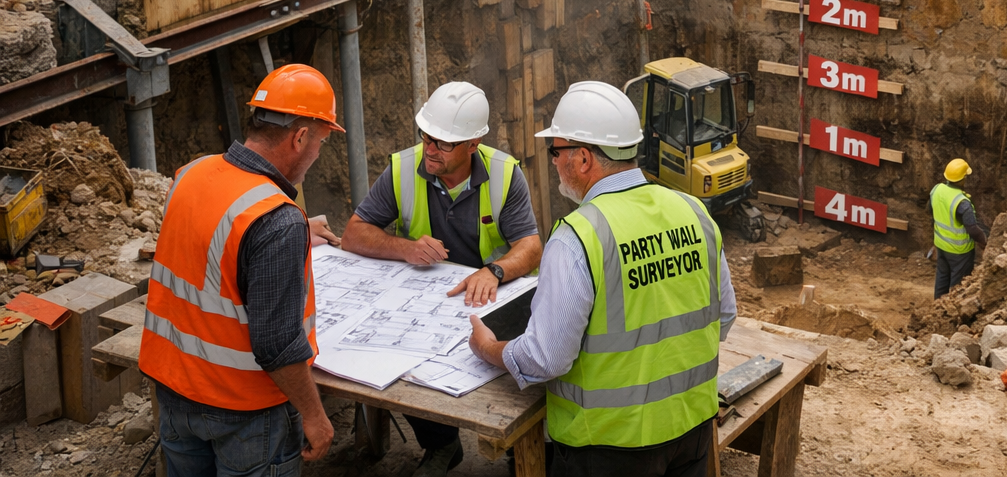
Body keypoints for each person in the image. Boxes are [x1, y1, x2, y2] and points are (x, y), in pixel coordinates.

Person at [465, 81, 735, 477]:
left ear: (585, 158)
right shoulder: (692, 210)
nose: (554, 162)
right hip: (692, 429)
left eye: (556, 151)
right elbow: (724, 317)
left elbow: (546, 358)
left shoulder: (579, 236)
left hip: (610, 447)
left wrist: (489, 348)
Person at [142, 64, 345, 477]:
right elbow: (277, 344)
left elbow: (210, 241)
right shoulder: (276, 221)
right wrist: (315, 415)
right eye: (321, 142)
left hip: (174, 391)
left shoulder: (192, 173)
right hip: (243, 410)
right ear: (300, 136)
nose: (318, 153)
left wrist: (287, 234)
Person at [340, 81, 542, 477]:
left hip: (493, 301)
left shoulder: (504, 174)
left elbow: (532, 247)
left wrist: (495, 271)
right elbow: (353, 234)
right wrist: (404, 247)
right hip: (428, 300)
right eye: (427, 137)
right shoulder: (403, 168)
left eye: (443, 143)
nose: (430, 149)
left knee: (514, 375)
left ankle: (522, 454)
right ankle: (442, 444)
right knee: (399, 368)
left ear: (473, 144)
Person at [930, 157, 989, 299]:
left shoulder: (936, 190)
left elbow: (932, 212)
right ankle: (951, 314)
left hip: (941, 245)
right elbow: (973, 229)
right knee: (958, 287)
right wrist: (984, 242)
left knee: (942, 279)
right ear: (962, 179)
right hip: (960, 251)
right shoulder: (962, 202)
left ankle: (937, 309)